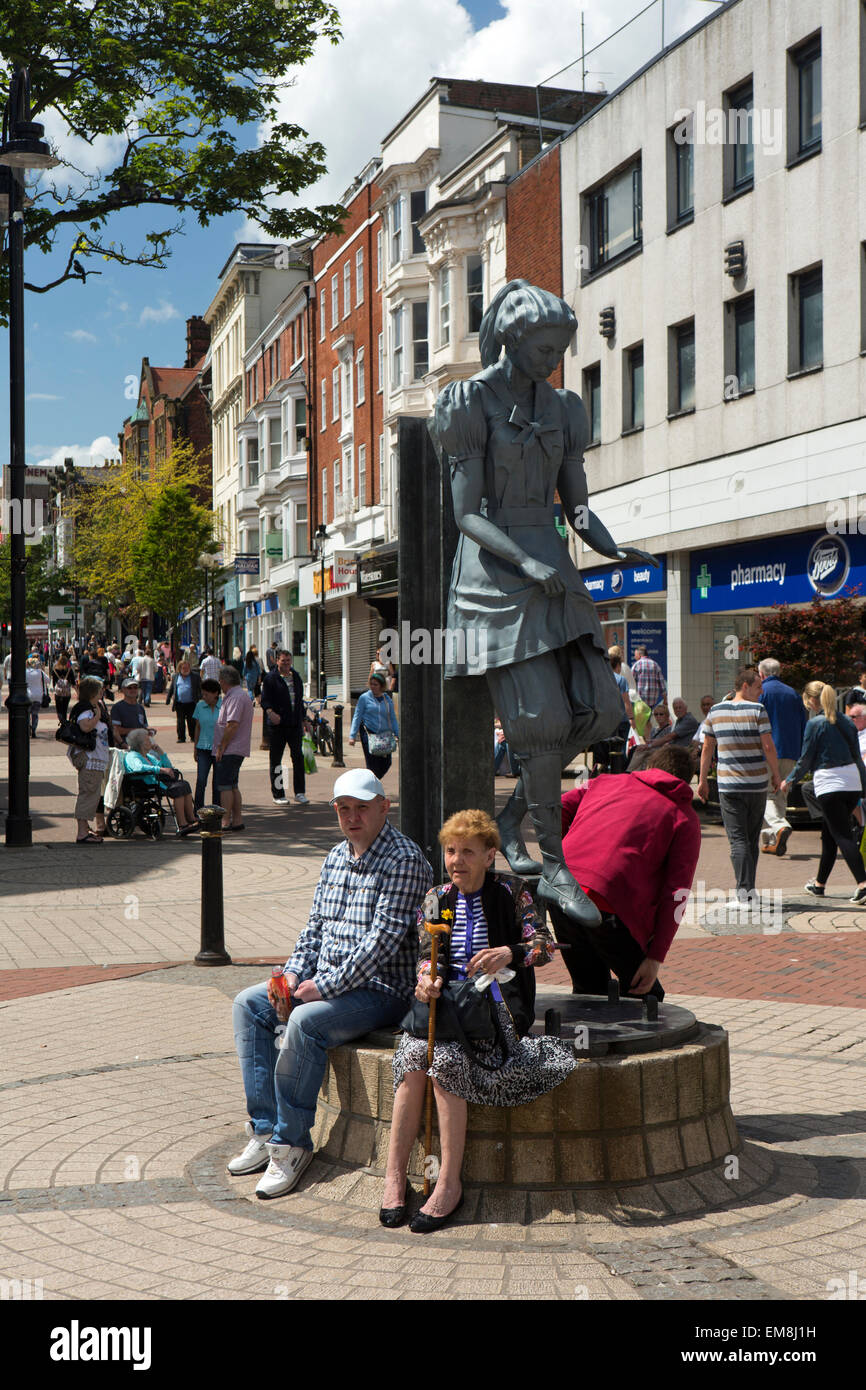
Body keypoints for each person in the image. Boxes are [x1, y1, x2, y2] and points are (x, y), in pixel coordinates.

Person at [430, 278, 658, 925]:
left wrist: (613, 549)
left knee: (604, 710)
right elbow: (466, 513)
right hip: (497, 578)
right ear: (510, 336)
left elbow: (576, 505)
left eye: (560, 349)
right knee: (538, 720)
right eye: (542, 347)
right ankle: (554, 867)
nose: (552, 360)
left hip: (555, 571)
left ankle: (511, 820)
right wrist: (526, 558)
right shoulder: (468, 404)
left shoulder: (562, 409)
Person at [228, 768, 433, 1198]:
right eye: (344, 809)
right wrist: (292, 974)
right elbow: (315, 929)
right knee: (249, 1005)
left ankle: (291, 1143)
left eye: (362, 808)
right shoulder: (336, 856)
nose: (352, 817)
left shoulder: (406, 860)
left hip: (382, 990)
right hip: (329, 982)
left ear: (384, 807)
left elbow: (382, 943)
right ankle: (264, 1131)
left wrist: (324, 988)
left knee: (304, 1022)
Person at [383, 809, 574, 1232]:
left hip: (497, 1012)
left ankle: (448, 1185)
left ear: (490, 856)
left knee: (444, 1065)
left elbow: (544, 946)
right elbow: (423, 955)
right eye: (451, 851)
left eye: (468, 852)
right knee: (412, 1058)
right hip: (446, 1009)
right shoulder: (435, 897)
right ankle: (394, 1177)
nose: (456, 861)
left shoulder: (514, 890)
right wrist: (426, 979)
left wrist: (510, 952)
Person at [550, 745, 701, 999]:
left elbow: (559, 807)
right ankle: (623, 1036)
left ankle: (589, 1038)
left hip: (561, 887)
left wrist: (569, 848)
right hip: (606, 903)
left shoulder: (604, 782)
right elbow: (677, 893)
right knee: (646, 995)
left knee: (589, 990)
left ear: (648, 768)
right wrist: (655, 958)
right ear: (687, 779)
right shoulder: (684, 817)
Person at [698, 667, 782, 901]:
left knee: (737, 840)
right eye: (758, 687)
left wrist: (703, 779)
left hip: (729, 785)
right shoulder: (758, 710)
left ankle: (744, 891)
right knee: (750, 839)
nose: (761, 692)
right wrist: (776, 774)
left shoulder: (714, 711)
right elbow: (768, 746)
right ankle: (748, 890)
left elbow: (707, 748)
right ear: (745, 686)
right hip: (755, 784)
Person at [780, 681, 866, 904]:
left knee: (843, 836)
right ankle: (819, 885)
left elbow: (806, 759)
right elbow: (856, 756)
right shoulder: (847, 721)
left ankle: (863, 884)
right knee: (830, 835)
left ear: (811, 700)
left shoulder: (815, 724)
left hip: (829, 784)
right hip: (851, 782)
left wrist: (789, 780)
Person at [756, 658, 808, 856]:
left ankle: (778, 827)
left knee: (765, 794)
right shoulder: (793, 693)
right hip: (791, 751)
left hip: (767, 751)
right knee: (780, 795)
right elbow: (803, 724)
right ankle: (771, 840)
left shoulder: (761, 692)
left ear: (761, 674)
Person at [123, 728, 199, 836]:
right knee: (178, 789)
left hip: (156, 781)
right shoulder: (132, 756)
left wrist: (160, 751)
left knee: (184, 784)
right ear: (141, 744)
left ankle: (191, 818)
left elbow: (168, 766)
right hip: (146, 784)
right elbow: (138, 768)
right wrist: (160, 770)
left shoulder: (148, 756)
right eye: (148, 740)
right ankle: (182, 824)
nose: (151, 742)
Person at [260, 649, 308, 805]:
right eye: (283, 660)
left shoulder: (296, 677)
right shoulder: (270, 678)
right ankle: (278, 794)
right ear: (276, 661)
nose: (286, 663)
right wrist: (270, 712)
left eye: (288, 660)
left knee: (298, 759)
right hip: (278, 726)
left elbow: (299, 701)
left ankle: (300, 792)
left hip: (294, 725)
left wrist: (304, 719)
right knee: (276, 761)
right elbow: (265, 700)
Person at [68, 676, 111, 844]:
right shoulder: (87, 709)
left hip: (95, 758)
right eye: (100, 689)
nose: (102, 691)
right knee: (88, 793)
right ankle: (81, 832)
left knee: (91, 794)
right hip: (90, 758)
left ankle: (85, 828)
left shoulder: (92, 707)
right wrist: (97, 716)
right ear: (93, 691)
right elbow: (85, 726)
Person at [213, 664, 254, 830]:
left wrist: (222, 746)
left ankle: (226, 820)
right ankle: (237, 820)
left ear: (224, 681)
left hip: (231, 749)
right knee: (232, 785)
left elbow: (232, 724)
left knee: (225, 786)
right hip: (235, 748)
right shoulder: (237, 695)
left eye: (220, 682)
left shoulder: (236, 696)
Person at [349, 669, 399, 780]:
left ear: (381, 686)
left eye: (375, 684)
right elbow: (357, 716)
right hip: (368, 734)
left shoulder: (387, 699)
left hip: (384, 735)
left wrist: (398, 734)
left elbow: (393, 718)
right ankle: (371, 789)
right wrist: (352, 736)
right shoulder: (364, 698)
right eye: (371, 684)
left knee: (386, 763)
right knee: (372, 765)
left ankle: (372, 783)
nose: (372, 687)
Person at [192, 678, 222, 812]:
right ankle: (198, 809)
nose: (204, 697)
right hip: (203, 748)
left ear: (215, 693)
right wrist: (195, 747)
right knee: (201, 781)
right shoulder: (200, 706)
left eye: (206, 694)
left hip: (219, 749)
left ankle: (217, 809)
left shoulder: (224, 706)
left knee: (217, 783)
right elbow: (197, 727)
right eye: (202, 694)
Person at [166, 659, 201, 742]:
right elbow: (172, 688)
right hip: (179, 703)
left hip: (192, 703)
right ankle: (181, 737)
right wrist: (168, 698)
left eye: (187, 668)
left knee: (191, 721)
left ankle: (193, 737)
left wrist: (201, 698)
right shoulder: (176, 676)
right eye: (183, 668)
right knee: (180, 722)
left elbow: (200, 688)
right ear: (179, 668)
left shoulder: (195, 676)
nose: (185, 670)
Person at [110, 678, 148, 749]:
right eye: (129, 688)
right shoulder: (117, 707)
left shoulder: (140, 708)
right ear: (123, 690)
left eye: (135, 687)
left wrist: (148, 732)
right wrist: (136, 731)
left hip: (141, 746)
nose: (133, 690)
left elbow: (144, 726)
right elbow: (115, 730)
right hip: (125, 746)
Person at [631, 645, 667, 713]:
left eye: (635, 655)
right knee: (648, 719)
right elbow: (662, 684)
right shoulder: (655, 664)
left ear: (640, 654)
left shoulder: (636, 665)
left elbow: (631, 683)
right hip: (653, 701)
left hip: (640, 700)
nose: (634, 657)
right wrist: (665, 699)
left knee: (642, 721)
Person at [25, 656, 49, 737]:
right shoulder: (40, 672)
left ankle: (28, 726)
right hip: (38, 696)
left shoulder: (25, 672)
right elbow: (48, 680)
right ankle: (34, 729)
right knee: (35, 714)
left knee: (27, 713)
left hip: (28, 695)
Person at [52, 650, 76, 725]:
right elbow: (73, 682)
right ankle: (64, 722)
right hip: (66, 692)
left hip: (58, 692)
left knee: (59, 708)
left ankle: (61, 719)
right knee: (65, 708)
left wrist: (54, 688)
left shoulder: (55, 669)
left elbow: (54, 681)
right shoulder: (69, 670)